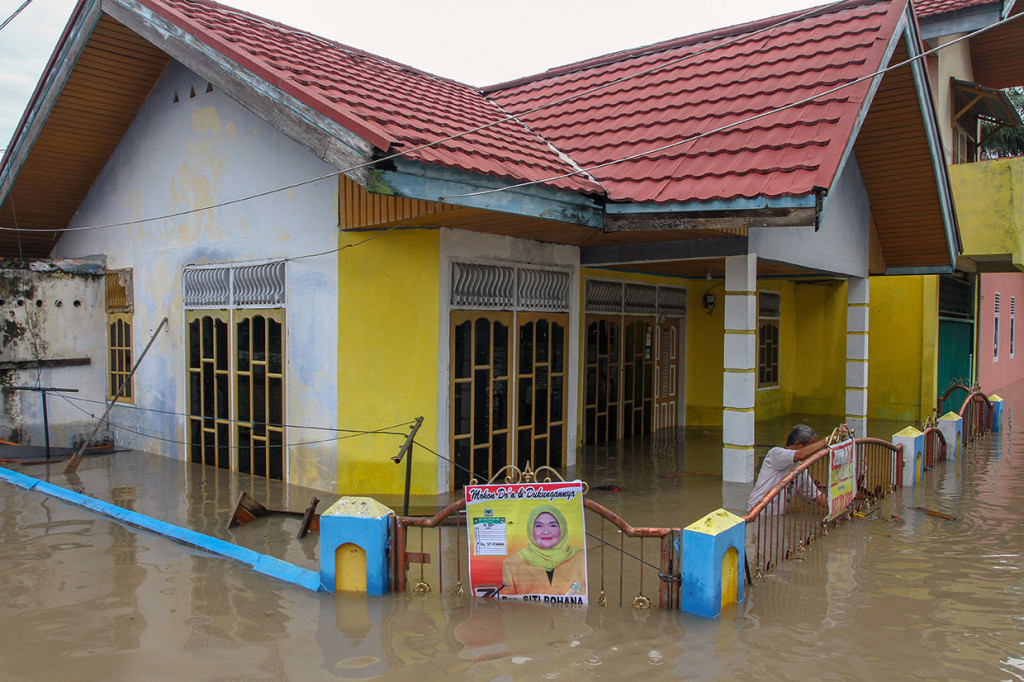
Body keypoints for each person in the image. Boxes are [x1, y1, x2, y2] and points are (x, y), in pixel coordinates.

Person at [746, 424, 850, 515]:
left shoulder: (800, 469)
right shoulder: (775, 453)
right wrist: (827, 440)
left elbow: (816, 495)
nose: (814, 451)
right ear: (798, 444)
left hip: (775, 519)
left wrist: (840, 509)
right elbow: (801, 454)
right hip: (757, 514)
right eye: (811, 446)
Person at [500, 505, 586, 597]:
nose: (546, 531)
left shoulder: (580, 557)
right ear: (530, 530)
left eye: (552, 525)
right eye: (539, 526)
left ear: (562, 528)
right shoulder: (512, 564)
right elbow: (507, 605)